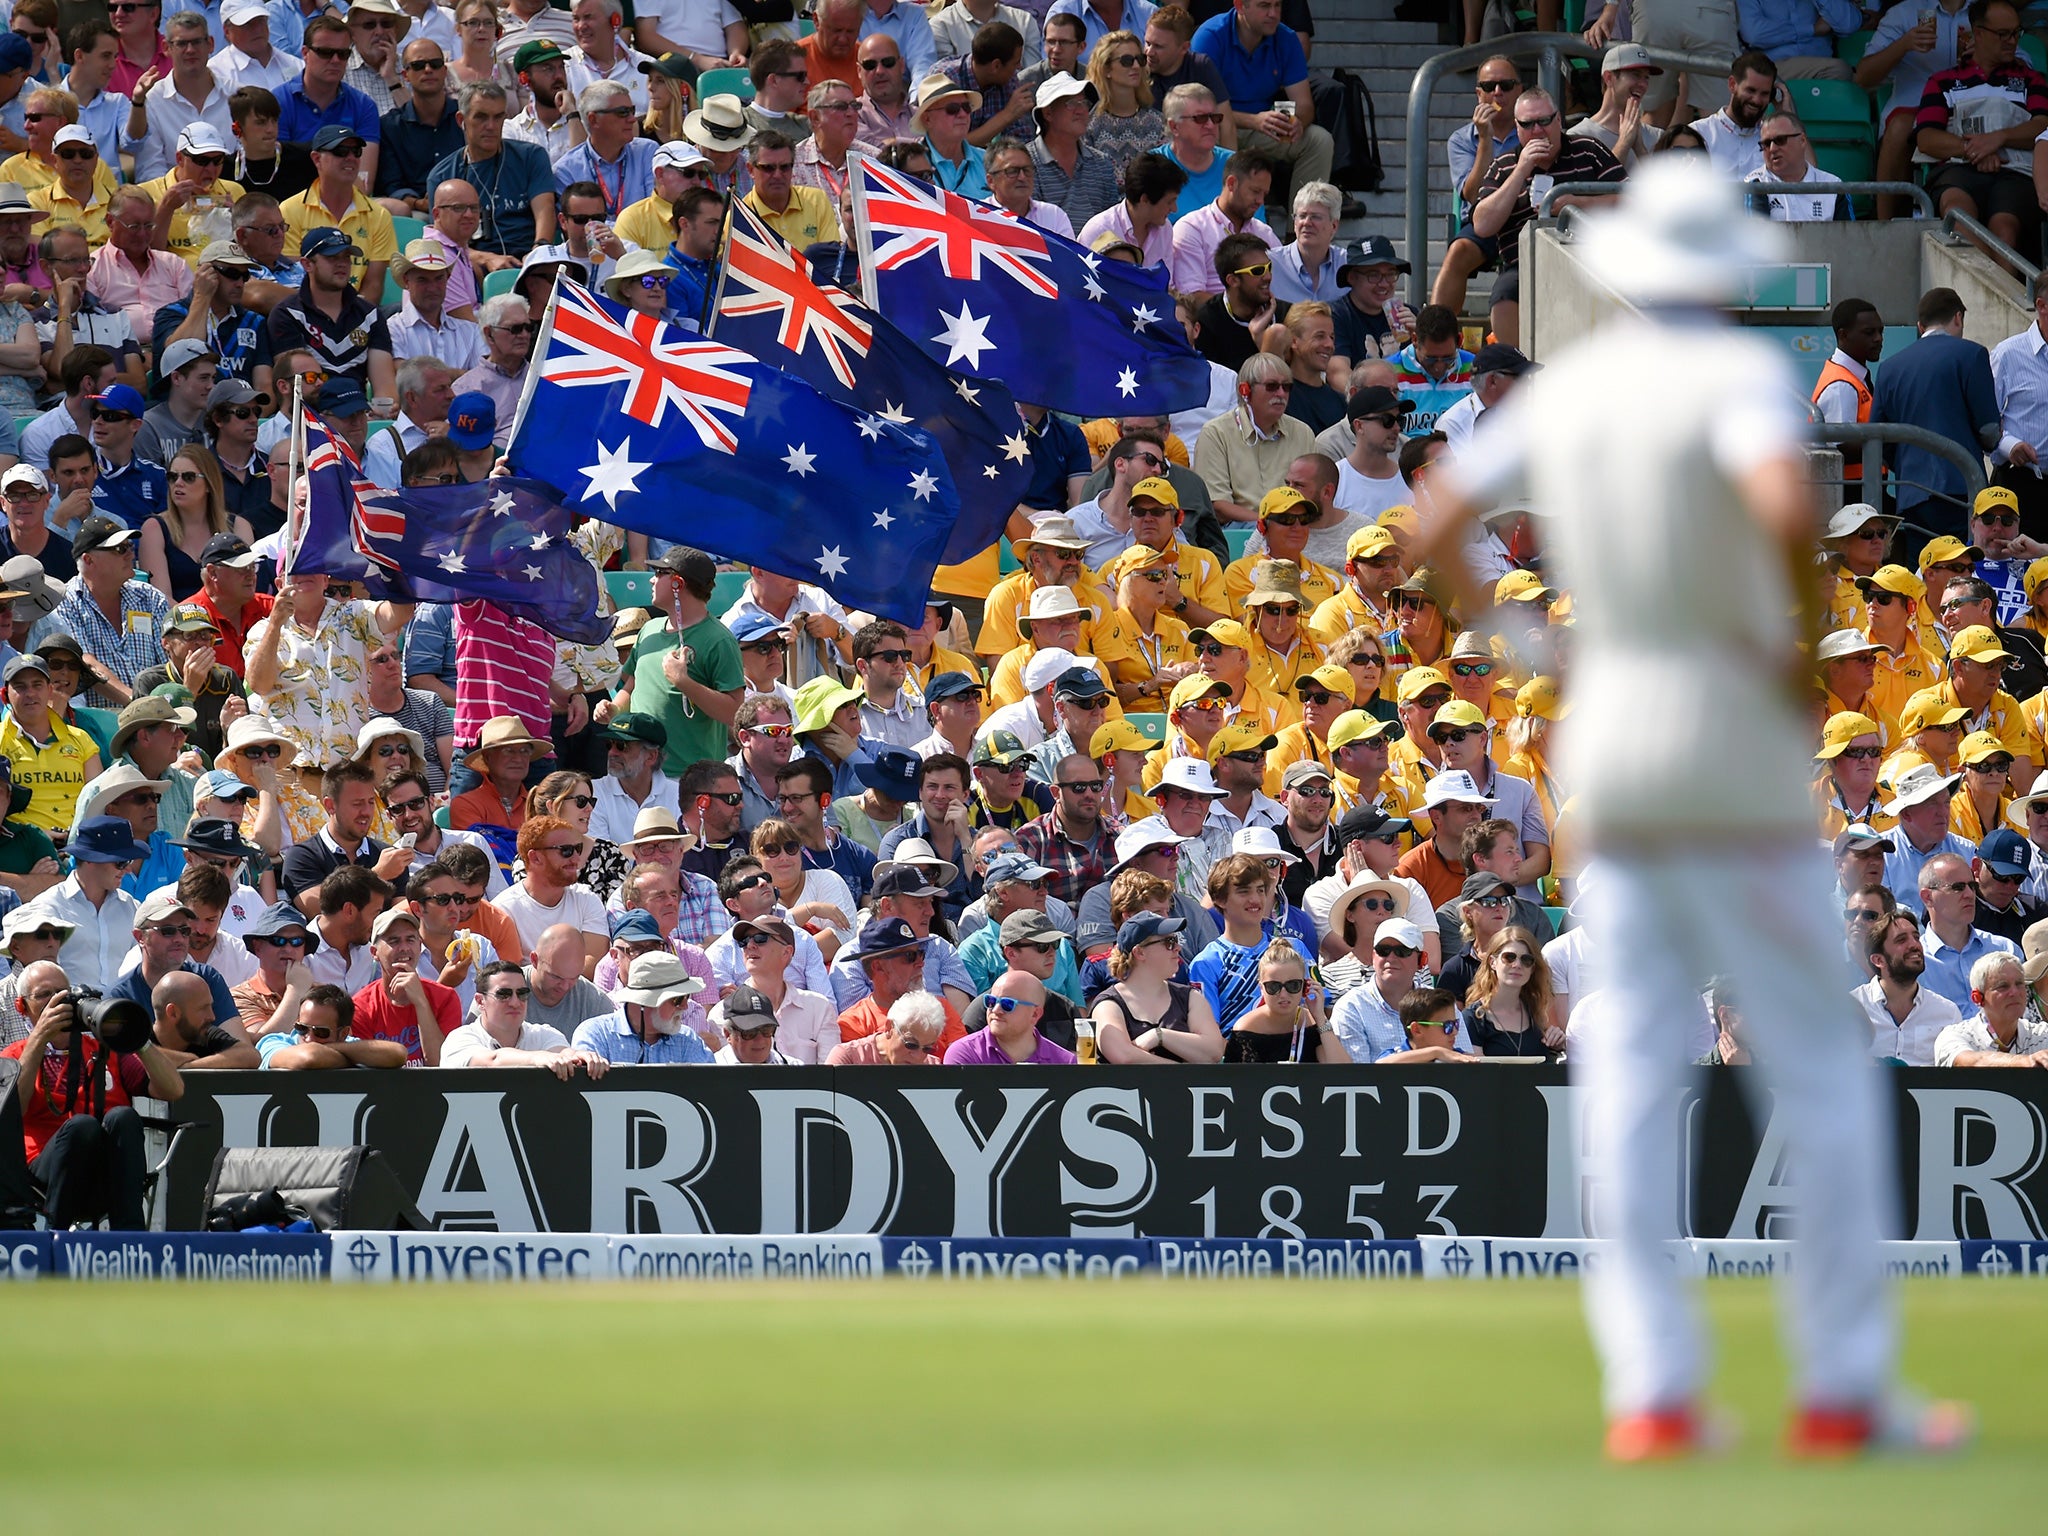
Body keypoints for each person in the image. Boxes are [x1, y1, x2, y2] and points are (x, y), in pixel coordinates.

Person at [1430, 158, 1963, 1459]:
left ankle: (1654, 1394)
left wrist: (1532, 649)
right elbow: (1787, 504)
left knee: (1630, 1057)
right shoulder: (1733, 380)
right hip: (1722, 720)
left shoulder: (1587, 386)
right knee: (1820, 1066)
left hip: (1610, 729)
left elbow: (1441, 516)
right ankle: (1840, 1389)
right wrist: (1796, 634)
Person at [3, 960, 185, 1227]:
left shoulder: (104, 1049)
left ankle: (131, 1241)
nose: (57, 1001)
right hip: (44, 1172)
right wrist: (40, 1038)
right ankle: (58, 1236)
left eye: (63, 993)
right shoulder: (14, 1056)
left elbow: (174, 1090)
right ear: (22, 1006)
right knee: (81, 1126)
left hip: (108, 1171)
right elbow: (13, 1110)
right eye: (44, 995)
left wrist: (137, 1038)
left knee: (122, 1116)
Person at [1467, 86, 1624, 346]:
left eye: (1544, 121)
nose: (1537, 131)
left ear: (1559, 120)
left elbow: (1630, 199)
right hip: (1525, 265)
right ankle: (1520, 369)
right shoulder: (1504, 165)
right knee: (1505, 293)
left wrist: (1577, 202)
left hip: (1590, 257)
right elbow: (1482, 224)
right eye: (1528, 124)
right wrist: (1521, 170)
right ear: (1517, 128)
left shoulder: (1588, 149)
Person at [1914, 0, 2046, 259]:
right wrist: (1973, 150)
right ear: (1979, 33)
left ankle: (1996, 298)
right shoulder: (1943, 81)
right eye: (2003, 34)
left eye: (2016, 33)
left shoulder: (2032, 79)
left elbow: (2043, 126)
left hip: (2016, 174)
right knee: (1959, 220)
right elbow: (1926, 137)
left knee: (2004, 232)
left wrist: (1998, 138)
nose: (2012, 41)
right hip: (1957, 169)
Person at [599, 545, 743, 779]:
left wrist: (683, 682)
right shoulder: (649, 630)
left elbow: (734, 713)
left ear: (678, 584)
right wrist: (614, 709)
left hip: (690, 779)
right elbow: (630, 687)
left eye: (659, 574)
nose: (651, 581)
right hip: (639, 776)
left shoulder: (720, 640)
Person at [1876, 289, 2000, 542]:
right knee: (1961, 569)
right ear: (1958, 318)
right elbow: (1989, 430)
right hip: (1961, 487)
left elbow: (1879, 437)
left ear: (1921, 326)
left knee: (1920, 571)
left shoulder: (1889, 368)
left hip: (1911, 491)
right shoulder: (1971, 354)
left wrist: (1904, 463)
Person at [1090, 910, 1224, 1061]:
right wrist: (1183, 1071)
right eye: (1169, 942)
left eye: (1176, 940)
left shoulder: (1190, 998)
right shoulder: (1108, 1004)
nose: (1178, 948)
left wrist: (1160, 1035)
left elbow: (1214, 1052)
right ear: (1139, 952)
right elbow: (1124, 1057)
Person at [442, 957, 610, 1074]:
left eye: (522, 993)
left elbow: (563, 1053)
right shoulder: (460, 1038)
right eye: (504, 994)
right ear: (480, 1002)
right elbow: (492, 1060)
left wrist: (580, 1058)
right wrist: (538, 1058)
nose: (515, 1002)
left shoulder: (544, 1034)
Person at [833, 912, 967, 1053]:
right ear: (878, 967)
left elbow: (962, 1066)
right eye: (910, 956)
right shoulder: (853, 1023)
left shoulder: (941, 1008)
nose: (920, 964)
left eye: (921, 954)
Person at [494, 813, 609, 969]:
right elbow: (509, 974)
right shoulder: (503, 910)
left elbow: (595, 964)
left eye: (578, 849)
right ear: (535, 858)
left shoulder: (587, 899)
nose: (576, 859)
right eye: (566, 850)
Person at [569, 949, 716, 1064]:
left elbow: (710, 1092)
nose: (685, 1006)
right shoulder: (596, 1035)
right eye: (677, 999)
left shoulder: (688, 1040)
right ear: (644, 1002)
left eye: (687, 996)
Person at [1935, 949, 2048, 1063]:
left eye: (2019, 984)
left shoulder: (2041, 1034)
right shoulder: (1954, 1036)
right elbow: (1968, 1061)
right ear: (1977, 998)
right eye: (2002, 986)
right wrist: (2026, 1061)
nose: (2014, 992)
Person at [942, 967, 1076, 1063]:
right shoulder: (964, 1054)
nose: (996, 1009)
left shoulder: (1065, 1063)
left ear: (1035, 1014)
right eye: (991, 1001)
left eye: (1007, 1004)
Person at [826, 986, 945, 1064]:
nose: (918, 1056)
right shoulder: (848, 1058)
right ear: (889, 1027)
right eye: (911, 1044)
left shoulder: (932, 1066)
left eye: (928, 1048)